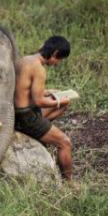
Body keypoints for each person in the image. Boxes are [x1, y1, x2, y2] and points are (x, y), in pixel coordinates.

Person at [14, 36, 73, 180]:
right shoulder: (39, 69)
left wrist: (50, 94)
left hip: (16, 112)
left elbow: (24, 89)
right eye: (59, 59)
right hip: (26, 117)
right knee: (65, 143)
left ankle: (42, 130)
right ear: (54, 53)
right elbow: (39, 101)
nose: (58, 63)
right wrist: (59, 100)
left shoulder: (25, 60)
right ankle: (69, 182)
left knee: (64, 104)